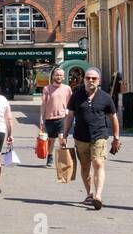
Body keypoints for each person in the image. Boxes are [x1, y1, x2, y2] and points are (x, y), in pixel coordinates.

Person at [63, 68, 120, 210]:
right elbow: (70, 116)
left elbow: (113, 118)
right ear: (84, 80)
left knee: (98, 163)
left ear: (99, 81)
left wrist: (116, 138)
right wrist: (64, 135)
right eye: (88, 78)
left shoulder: (105, 98)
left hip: (99, 136)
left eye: (94, 78)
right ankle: (89, 194)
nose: (90, 81)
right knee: (85, 167)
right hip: (80, 138)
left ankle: (98, 196)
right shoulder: (76, 96)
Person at [39, 67, 71, 168]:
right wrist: (41, 119)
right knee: (51, 140)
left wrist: (68, 110)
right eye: (57, 75)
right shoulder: (47, 89)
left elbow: (71, 103)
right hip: (49, 118)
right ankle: (50, 156)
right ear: (53, 76)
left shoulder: (67, 88)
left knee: (62, 138)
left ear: (64, 77)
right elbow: (43, 104)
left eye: (61, 75)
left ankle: (63, 160)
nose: (59, 77)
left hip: (62, 118)